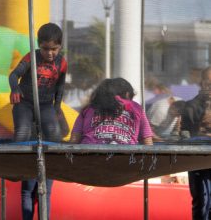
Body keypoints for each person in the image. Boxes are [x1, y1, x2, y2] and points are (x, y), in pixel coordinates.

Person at [9, 22, 67, 220]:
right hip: (25, 102)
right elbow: (13, 75)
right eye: (45, 48)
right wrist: (15, 89)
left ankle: (52, 165)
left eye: (54, 49)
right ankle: (17, 167)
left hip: (45, 105)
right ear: (39, 45)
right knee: (22, 132)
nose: (49, 53)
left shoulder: (62, 62)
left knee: (54, 133)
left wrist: (57, 107)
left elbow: (60, 87)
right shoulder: (32, 57)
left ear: (60, 47)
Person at [70, 78, 153, 145]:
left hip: (90, 153)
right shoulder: (135, 107)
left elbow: (74, 138)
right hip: (126, 155)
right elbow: (147, 141)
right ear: (127, 94)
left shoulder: (89, 108)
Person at [181, 66, 211, 220]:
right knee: (201, 201)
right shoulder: (192, 105)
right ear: (202, 83)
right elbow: (184, 133)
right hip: (198, 156)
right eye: (208, 83)